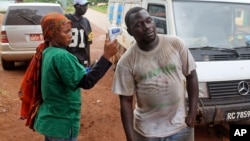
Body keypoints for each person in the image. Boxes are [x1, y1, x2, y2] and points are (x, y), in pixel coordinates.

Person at [19, 12, 118, 141]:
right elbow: (87, 82)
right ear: (52, 34)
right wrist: (107, 55)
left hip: (51, 120)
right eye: (66, 32)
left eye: (71, 31)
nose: (70, 35)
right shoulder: (62, 56)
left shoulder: (46, 51)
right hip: (62, 123)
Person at [112, 7, 199, 141]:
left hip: (181, 128)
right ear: (130, 31)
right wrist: (130, 138)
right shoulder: (126, 62)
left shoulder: (176, 44)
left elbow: (192, 76)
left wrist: (192, 114)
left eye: (148, 21)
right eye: (139, 25)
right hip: (147, 132)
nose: (147, 27)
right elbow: (126, 101)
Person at [65, 0, 92, 68]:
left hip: (82, 59)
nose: (85, 8)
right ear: (75, 6)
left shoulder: (86, 22)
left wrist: (88, 58)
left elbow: (88, 42)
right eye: (83, 6)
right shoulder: (66, 18)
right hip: (68, 58)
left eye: (86, 6)